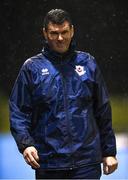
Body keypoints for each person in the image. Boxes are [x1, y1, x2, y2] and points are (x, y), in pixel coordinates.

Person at [9, 9, 118, 179]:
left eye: (64, 32)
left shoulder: (88, 63)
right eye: (54, 33)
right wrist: (26, 145)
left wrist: (109, 151)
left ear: (72, 31)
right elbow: (18, 111)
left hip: (86, 164)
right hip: (49, 164)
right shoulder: (31, 68)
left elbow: (102, 110)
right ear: (45, 33)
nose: (60, 38)